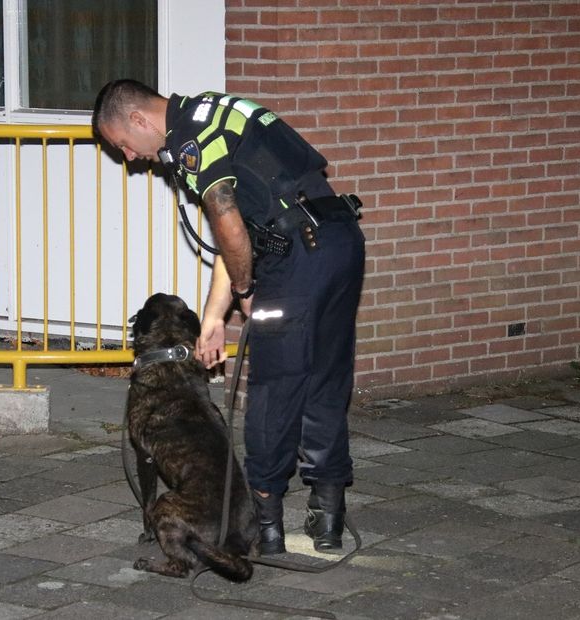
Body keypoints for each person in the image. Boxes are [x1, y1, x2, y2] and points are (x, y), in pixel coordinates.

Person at [93, 79, 365, 554]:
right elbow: (236, 226)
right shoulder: (214, 111)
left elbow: (227, 223)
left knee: (274, 391)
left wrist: (245, 288)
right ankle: (329, 517)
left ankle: (267, 524)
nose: (131, 158)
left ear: (138, 120)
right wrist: (216, 314)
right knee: (326, 379)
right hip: (339, 243)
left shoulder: (191, 142)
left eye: (123, 145)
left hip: (296, 260)